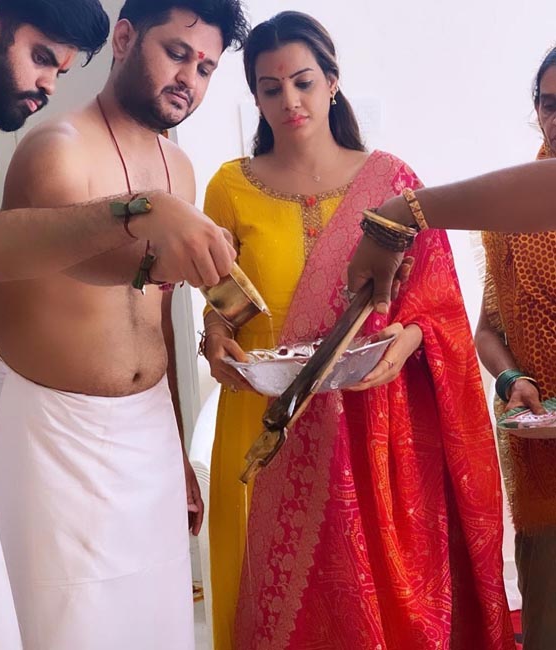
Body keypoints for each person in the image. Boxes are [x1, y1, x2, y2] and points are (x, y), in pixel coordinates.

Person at [0, 0, 237, 647]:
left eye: (205, 67)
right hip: (42, 433)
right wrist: (142, 214)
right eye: (41, 58)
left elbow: (152, 314)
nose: (47, 86)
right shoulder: (22, 143)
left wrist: (176, 440)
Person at [201, 12, 515, 649]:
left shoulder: (393, 182)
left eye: (303, 82)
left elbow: (438, 303)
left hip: (372, 420)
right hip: (269, 417)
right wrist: (213, 336)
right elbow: (224, 298)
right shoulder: (230, 187)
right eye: (270, 88)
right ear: (255, 96)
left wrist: (409, 338)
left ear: (332, 81)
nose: (289, 101)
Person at [475, 46, 556, 649]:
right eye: (550, 104)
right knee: (548, 615)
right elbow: (488, 330)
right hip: (541, 454)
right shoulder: (510, 210)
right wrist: (510, 380)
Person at [346, 159, 556, 311]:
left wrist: (398, 214)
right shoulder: (510, 225)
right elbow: (488, 330)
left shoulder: (391, 172)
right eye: (548, 111)